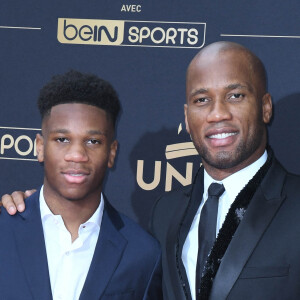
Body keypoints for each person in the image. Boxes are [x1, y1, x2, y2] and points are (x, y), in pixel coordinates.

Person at [3, 41, 300, 300]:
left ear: (265, 107)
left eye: (235, 96)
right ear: (187, 115)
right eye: (202, 100)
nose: (218, 113)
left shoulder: (295, 207)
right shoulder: (165, 215)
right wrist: (27, 211)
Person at [0, 70, 162, 300]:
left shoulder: (142, 254)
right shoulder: (4, 228)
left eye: (92, 141)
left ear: (111, 153)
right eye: (62, 139)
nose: (77, 155)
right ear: (40, 146)